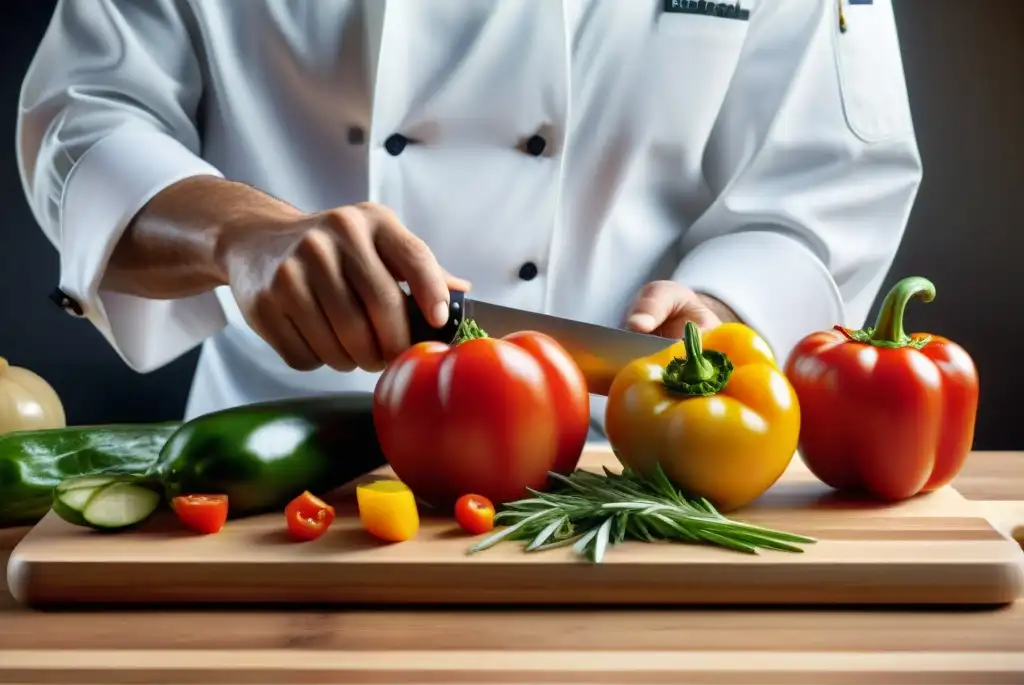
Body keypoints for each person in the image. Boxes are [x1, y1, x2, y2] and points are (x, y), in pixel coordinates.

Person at [17, 0, 921, 433]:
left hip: (633, 468)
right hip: (277, 470)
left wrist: (723, 317)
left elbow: (831, 173)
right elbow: (87, 120)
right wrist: (240, 232)